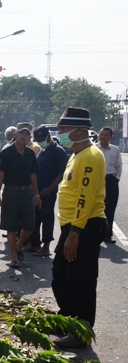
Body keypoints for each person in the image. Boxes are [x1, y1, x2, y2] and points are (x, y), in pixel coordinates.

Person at [51, 108, 107, 348]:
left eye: (63, 130)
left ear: (80, 131)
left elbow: (85, 198)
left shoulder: (90, 156)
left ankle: (81, 331)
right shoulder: (75, 154)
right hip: (72, 225)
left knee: (81, 280)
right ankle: (68, 318)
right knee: (61, 275)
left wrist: (74, 234)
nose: (60, 134)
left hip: (85, 226)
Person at [0, 122, 41, 268]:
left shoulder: (30, 154)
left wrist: (37, 195)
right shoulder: (6, 153)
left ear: (30, 137)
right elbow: (0, 176)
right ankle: (14, 257)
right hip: (10, 192)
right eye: (21, 133)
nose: (24, 136)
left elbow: (33, 176)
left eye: (27, 134)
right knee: (11, 226)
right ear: (15, 135)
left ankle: (19, 245)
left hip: (27, 192)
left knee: (29, 226)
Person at [28, 126, 68, 257]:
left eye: (42, 139)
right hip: (37, 190)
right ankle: (35, 244)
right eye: (37, 140)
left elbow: (62, 173)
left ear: (49, 137)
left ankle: (46, 246)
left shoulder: (58, 151)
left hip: (48, 191)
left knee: (47, 219)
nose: (39, 142)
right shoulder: (42, 150)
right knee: (35, 218)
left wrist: (49, 189)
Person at [97, 127, 122, 244]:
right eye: (101, 134)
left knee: (110, 208)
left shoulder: (115, 150)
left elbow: (118, 166)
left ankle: (107, 234)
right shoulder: (93, 148)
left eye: (106, 135)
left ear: (110, 137)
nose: (103, 137)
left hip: (111, 179)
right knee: (95, 207)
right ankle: (95, 234)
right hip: (96, 180)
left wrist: (116, 179)